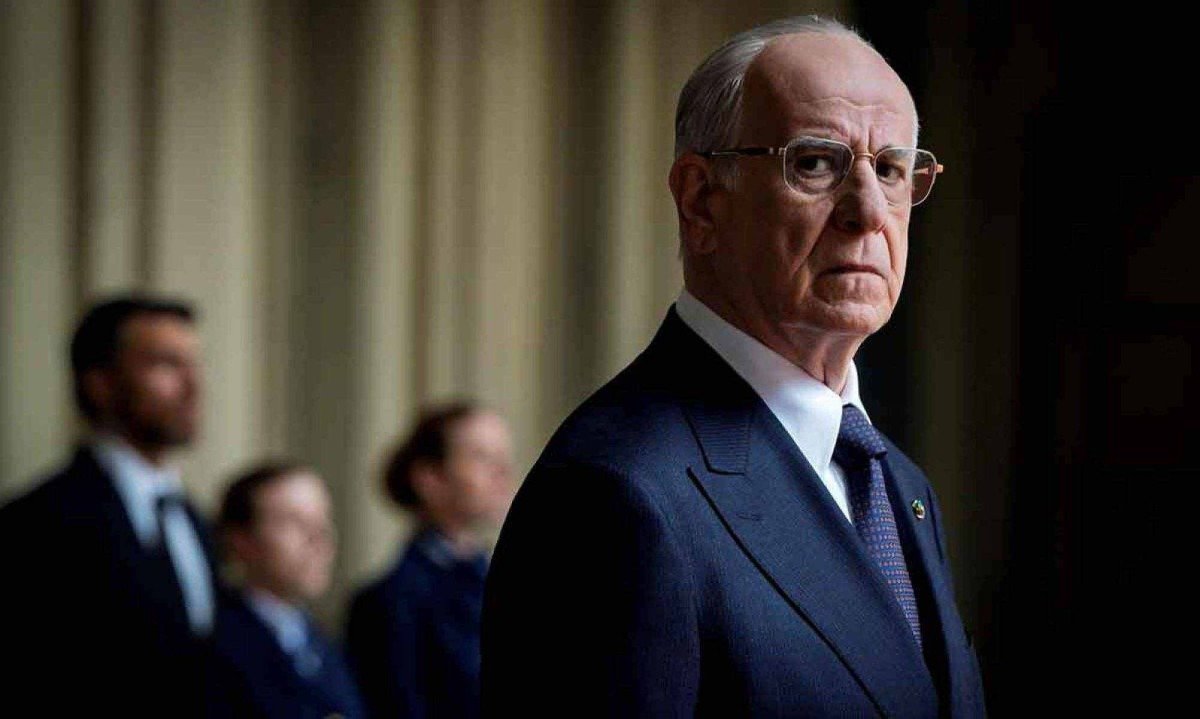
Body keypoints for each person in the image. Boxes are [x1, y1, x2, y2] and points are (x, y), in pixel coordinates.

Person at [482, 16, 987, 718]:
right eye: (816, 163)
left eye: (892, 170)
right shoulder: (613, 493)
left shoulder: (897, 482)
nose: (870, 211)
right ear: (700, 200)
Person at [0, 295, 217, 716]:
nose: (193, 386)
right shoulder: (36, 523)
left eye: (194, 364)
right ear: (100, 383)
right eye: (166, 365)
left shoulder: (195, 521)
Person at [346, 403, 514, 719]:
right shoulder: (390, 602)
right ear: (430, 478)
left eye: (502, 456)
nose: (502, 471)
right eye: (481, 457)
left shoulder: (512, 582)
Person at [207, 462, 366, 719]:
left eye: (324, 519)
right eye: (294, 521)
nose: (320, 537)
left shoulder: (324, 644)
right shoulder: (214, 642)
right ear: (242, 540)